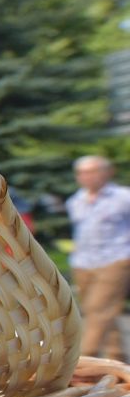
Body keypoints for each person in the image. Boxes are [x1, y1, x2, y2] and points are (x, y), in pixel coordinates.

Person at [70, 154, 130, 360]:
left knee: (98, 310)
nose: (86, 177)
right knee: (103, 314)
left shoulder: (123, 197)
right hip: (83, 263)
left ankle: (84, 359)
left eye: (91, 171)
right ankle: (117, 361)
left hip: (116, 259)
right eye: (82, 173)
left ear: (107, 172)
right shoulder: (76, 200)